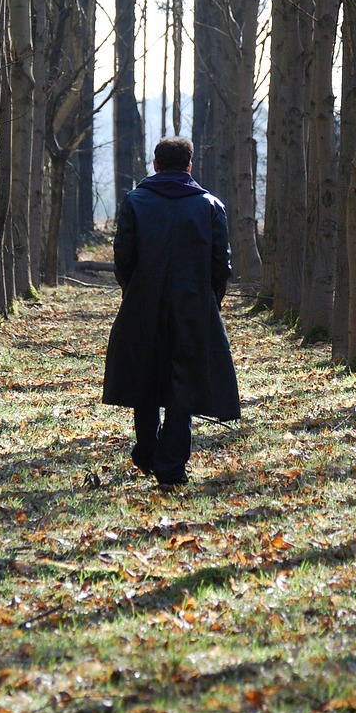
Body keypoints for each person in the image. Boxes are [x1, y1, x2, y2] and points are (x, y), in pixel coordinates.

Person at [102, 136, 240, 487]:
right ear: (189, 166)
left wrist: (133, 292)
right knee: (185, 382)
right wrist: (210, 301)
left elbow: (123, 258)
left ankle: (148, 452)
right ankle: (172, 466)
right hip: (193, 304)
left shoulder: (135, 201)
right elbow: (221, 266)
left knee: (145, 376)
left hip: (143, 302)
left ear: (156, 164)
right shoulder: (210, 206)